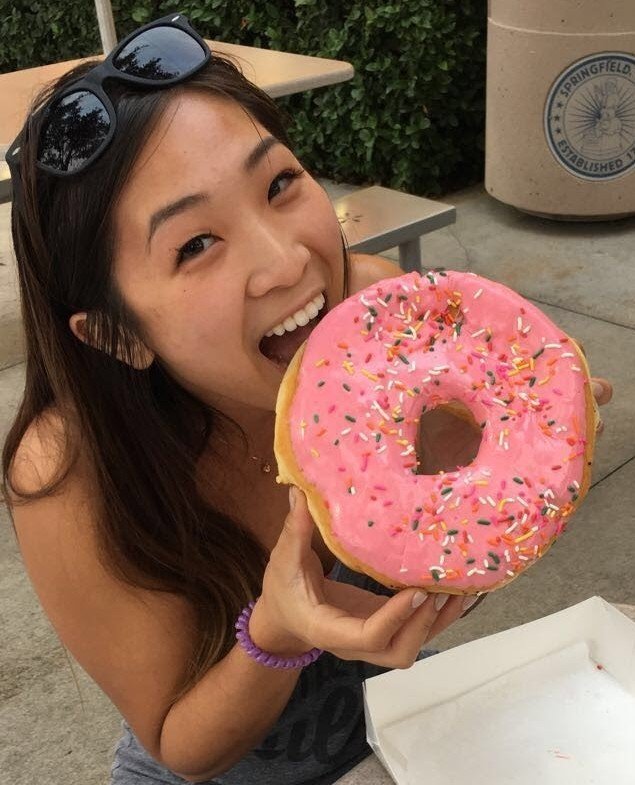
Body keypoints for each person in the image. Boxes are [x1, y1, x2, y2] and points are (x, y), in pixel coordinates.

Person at [1, 14, 612, 785]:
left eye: (278, 184)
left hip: (403, 725)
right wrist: (277, 632)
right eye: (195, 244)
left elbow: (442, 567)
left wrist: (498, 488)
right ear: (118, 335)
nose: (287, 261)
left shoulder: (385, 320)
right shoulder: (68, 469)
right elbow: (181, 745)